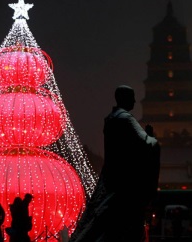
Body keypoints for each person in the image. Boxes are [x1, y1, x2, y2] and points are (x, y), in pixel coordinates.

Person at [69, 85, 161, 242]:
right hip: (125, 179)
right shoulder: (126, 119)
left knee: (99, 216)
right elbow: (146, 143)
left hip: (111, 174)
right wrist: (151, 136)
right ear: (124, 98)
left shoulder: (111, 118)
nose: (135, 100)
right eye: (132, 97)